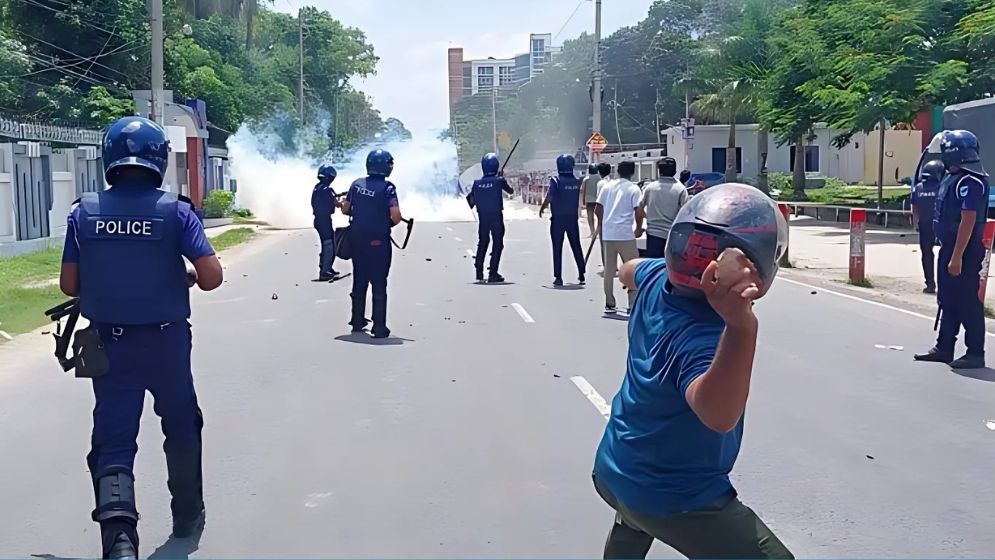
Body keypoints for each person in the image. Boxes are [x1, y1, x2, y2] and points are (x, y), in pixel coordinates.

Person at [592, 183, 791, 560]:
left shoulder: (654, 278)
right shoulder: (706, 334)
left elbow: (629, 270)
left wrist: (628, 274)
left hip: (613, 467)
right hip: (673, 494)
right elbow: (718, 415)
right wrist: (740, 326)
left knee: (633, 517)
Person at [58, 116, 224, 559]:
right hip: (167, 343)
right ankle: (187, 516)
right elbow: (211, 278)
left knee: (113, 439)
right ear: (159, 159)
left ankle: (120, 543)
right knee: (182, 424)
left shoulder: (83, 211)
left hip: (110, 346)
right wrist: (183, 273)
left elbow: (69, 286)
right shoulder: (176, 211)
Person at [915, 130, 990, 369]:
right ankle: (944, 346)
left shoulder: (972, 182)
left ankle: (975, 352)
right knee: (947, 299)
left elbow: (968, 220)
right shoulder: (952, 177)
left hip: (965, 251)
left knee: (967, 301)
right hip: (950, 248)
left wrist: (957, 256)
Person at [341, 149, 403, 338]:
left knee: (359, 280)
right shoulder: (388, 188)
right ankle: (379, 326)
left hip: (357, 239)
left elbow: (345, 210)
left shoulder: (356, 184)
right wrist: (385, 223)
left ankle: (357, 320)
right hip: (379, 241)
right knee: (378, 283)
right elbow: (396, 216)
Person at [596, 160, 643, 313]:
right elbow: (638, 210)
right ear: (632, 172)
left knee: (609, 271)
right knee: (632, 270)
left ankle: (609, 303)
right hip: (625, 234)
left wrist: (603, 223)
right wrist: (638, 228)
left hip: (609, 234)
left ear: (618, 171)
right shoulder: (634, 188)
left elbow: (598, 208)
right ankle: (632, 304)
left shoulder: (607, 186)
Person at [540, 154, 586, 286]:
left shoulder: (556, 180)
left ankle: (558, 277)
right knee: (576, 245)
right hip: (572, 218)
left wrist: (543, 207)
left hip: (558, 219)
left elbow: (550, 196)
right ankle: (581, 272)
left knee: (557, 247)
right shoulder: (577, 181)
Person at [471, 153, 514, 282]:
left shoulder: (476, 183)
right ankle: (493, 272)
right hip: (496, 216)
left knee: (483, 242)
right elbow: (511, 191)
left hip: (483, 218)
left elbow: (471, 202)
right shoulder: (499, 181)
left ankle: (479, 270)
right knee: (498, 244)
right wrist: (501, 178)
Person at [639, 157, 688, 258]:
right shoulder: (681, 189)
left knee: (653, 268)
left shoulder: (650, 187)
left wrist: (647, 217)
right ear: (674, 171)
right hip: (672, 235)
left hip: (653, 234)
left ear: (659, 171)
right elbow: (685, 213)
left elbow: (639, 208)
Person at [910, 159, 944, 294]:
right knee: (945, 253)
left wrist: (915, 222)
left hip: (924, 225)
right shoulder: (942, 187)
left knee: (926, 254)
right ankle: (945, 284)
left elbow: (914, 207)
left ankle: (930, 284)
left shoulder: (918, 188)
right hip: (941, 224)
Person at [311, 164, 341, 281]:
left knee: (327, 244)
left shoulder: (317, 187)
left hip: (319, 220)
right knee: (329, 245)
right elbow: (336, 203)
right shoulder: (327, 190)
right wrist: (342, 203)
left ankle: (326, 267)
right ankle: (325, 271)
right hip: (324, 221)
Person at [581, 163, 601, 236]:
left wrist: (583, 200)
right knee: (600, 215)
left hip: (589, 199)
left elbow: (583, 190)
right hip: (598, 199)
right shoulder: (599, 178)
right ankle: (598, 230)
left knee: (590, 215)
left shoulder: (586, 179)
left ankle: (592, 231)